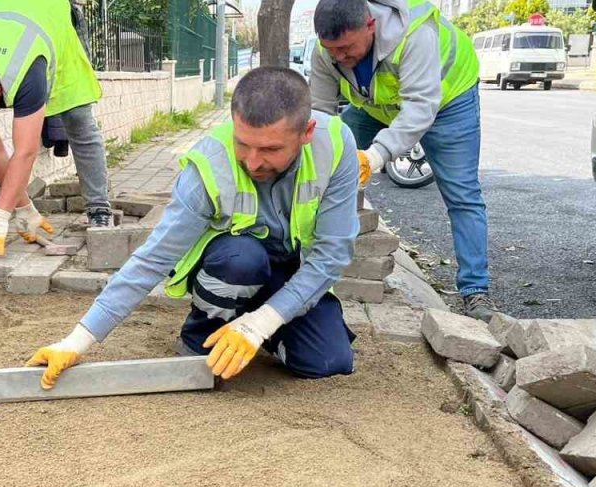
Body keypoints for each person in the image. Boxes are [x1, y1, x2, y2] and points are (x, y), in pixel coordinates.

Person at [26, 67, 360, 388]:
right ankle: (204, 331)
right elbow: (152, 260)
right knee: (242, 258)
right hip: (235, 265)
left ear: (307, 133)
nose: (253, 161)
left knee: (327, 361)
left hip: (289, 272)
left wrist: (261, 324)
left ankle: (256, 325)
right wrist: (76, 341)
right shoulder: (209, 166)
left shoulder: (334, 145)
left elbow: (331, 255)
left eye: (271, 149)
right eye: (243, 143)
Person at [309, 0, 497, 320]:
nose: (339, 57)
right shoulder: (325, 51)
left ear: (370, 25)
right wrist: (324, 158)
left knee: (462, 193)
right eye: (332, 50)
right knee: (322, 167)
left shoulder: (414, 35)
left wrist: (375, 156)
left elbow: (420, 108)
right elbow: (321, 116)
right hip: (378, 106)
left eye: (345, 48)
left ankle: (475, 291)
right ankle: (312, 257)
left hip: (447, 102)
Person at [0, 0, 115, 263]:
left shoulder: (26, 68)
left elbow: (25, 152)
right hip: (6, 24)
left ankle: (99, 209)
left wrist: (0, 219)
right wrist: (24, 209)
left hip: (51, 26)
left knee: (79, 120)